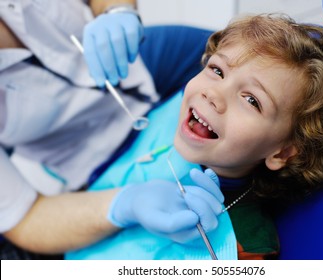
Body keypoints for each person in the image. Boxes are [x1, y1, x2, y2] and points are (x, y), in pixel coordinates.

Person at [65, 14, 323, 260]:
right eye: (217, 70)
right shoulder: (170, 109)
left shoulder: (247, 246)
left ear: (281, 153)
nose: (213, 93)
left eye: (252, 100)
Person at [0, 0, 221, 259]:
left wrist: (116, 10)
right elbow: (24, 218)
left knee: (249, 64)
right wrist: (125, 204)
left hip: (143, 62)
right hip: (93, 154)